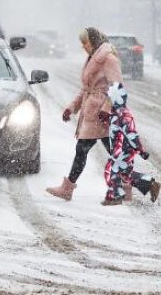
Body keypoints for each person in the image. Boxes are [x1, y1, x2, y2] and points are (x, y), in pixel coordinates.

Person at [45, 27, 155, 202]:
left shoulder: (108, 59)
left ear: (93, 41)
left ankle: (68, 188)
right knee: (112, 154)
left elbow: (117, 86)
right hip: (92, 112)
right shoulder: (93, 58)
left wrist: (106, 109)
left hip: (101, 114)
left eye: (85, 43)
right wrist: (72, 108)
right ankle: (144, 184)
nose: (83, 47)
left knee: (82, 150)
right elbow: (87, 89)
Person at [101, 82, 160, 205]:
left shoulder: (122, 115)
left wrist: (141, 150)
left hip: (125, 149)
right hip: (121, 148)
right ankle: (150, 184)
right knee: (125, 173)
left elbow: (131, 134)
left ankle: (116, 196)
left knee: (112, 169)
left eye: (110, 97)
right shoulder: (116, 113)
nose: (107, 100)